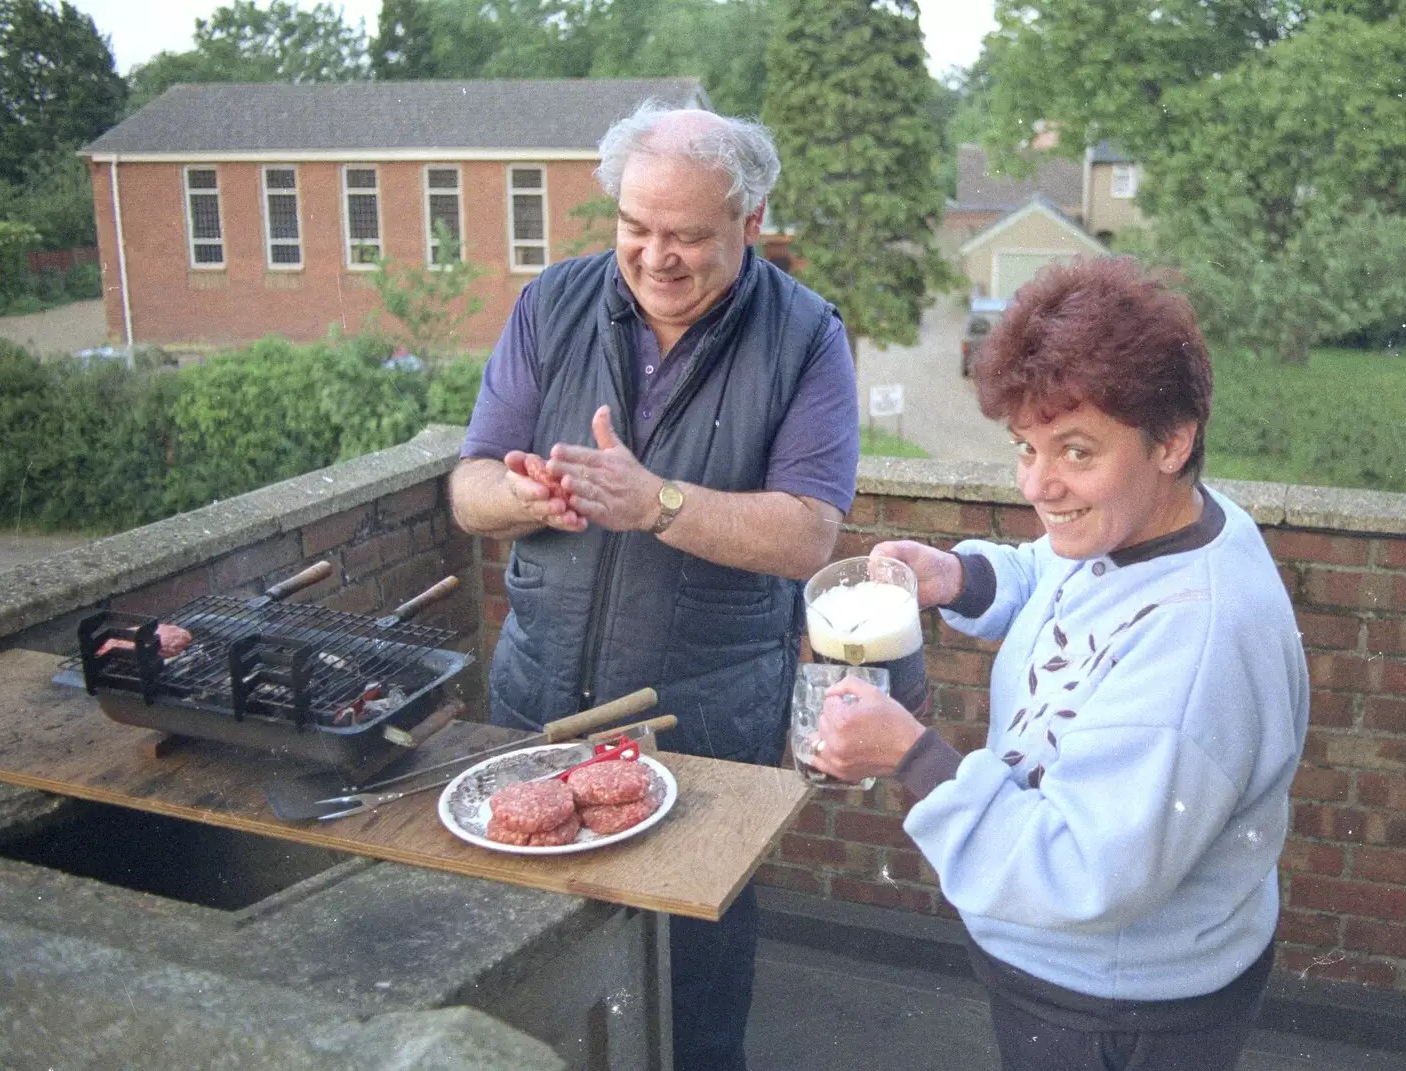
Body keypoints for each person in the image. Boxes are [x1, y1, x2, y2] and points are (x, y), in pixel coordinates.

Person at [808, 256, 1308, 1071]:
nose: (1040, 484)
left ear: (1172, 440)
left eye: (1076, 451)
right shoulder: (1154, 522)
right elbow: (1060, 569)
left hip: (1117, 1004)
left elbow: (1084, 871)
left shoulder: (1198, 647)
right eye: (1024, 447)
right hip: (1086, 973)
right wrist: (961, 576)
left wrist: (913, 756)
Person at [449, 103, 860, 1071]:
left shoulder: (807, 338)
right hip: (535, 718)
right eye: (636, 227)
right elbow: (466, 490)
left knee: (690, 1010)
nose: (654, 255)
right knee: (524, 994)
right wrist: (524, 495)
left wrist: (657, 501)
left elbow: (810, 536)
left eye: (687, 236)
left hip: (706, 737)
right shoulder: (551, 302)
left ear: (751, 222)